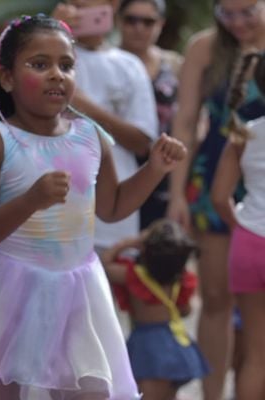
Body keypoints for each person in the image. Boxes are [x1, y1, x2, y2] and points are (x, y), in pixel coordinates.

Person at [0, 14, 186, 400]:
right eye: (40, 64)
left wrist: (154, 169)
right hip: (7, 289)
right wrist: (31, 200)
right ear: (6, 78)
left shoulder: (90, 136)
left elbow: (114, 207)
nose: (57, 74)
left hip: (77, 289)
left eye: (66, 65)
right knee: (3, 388)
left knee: (88, 390)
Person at [166, 1, 265, 398]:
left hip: (260, 171)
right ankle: (212, 394)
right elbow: (186, 122)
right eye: (228, 13)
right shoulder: (204, 47)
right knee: (218, 295)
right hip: (214, 176)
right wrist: (176, 193)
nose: (237, 22)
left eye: (248, 11)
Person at [52, 0, 159, 253]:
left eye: (89, 7)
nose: (82, 13)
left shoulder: (129, 65)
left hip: (113, 220)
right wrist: (52, 30)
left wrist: (82, 105)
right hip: (52, 219)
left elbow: (142, 141)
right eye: (76, 6)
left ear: (113, 6)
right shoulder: (47, 57)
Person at [102, 219, 209, 399]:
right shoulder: (180, 281)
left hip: (147, 346)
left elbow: (104, 264)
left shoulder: (134, 276)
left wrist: (129, 242)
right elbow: (186, 311)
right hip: (173, 342)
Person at [211, 50, 265, 400]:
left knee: (257, 356)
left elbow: (219, 197)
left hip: (249, 244)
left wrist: (241, 226)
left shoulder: (244, 134)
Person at [117, 0, 183, 229]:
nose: (139, 28)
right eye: (131, 20)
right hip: (117, 171)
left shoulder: (175, 65)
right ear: (118, 20)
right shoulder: (105, 63)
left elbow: (189, 122)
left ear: (161, 24)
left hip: (165, 174)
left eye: (148, 21)